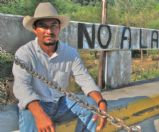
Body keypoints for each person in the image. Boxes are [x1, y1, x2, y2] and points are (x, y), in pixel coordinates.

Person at [12, 2, 107, 132]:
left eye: (53, 26)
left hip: (61, 104)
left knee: (91, 106)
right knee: (29, 111)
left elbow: (84, 79)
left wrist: (101, 102)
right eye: (43, 26)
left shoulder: (70, 53)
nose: (49, 31)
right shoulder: (25, 53)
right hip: (36, 104)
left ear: (59, 28)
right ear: (35, 29)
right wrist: (40, 115)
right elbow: (21, 87)